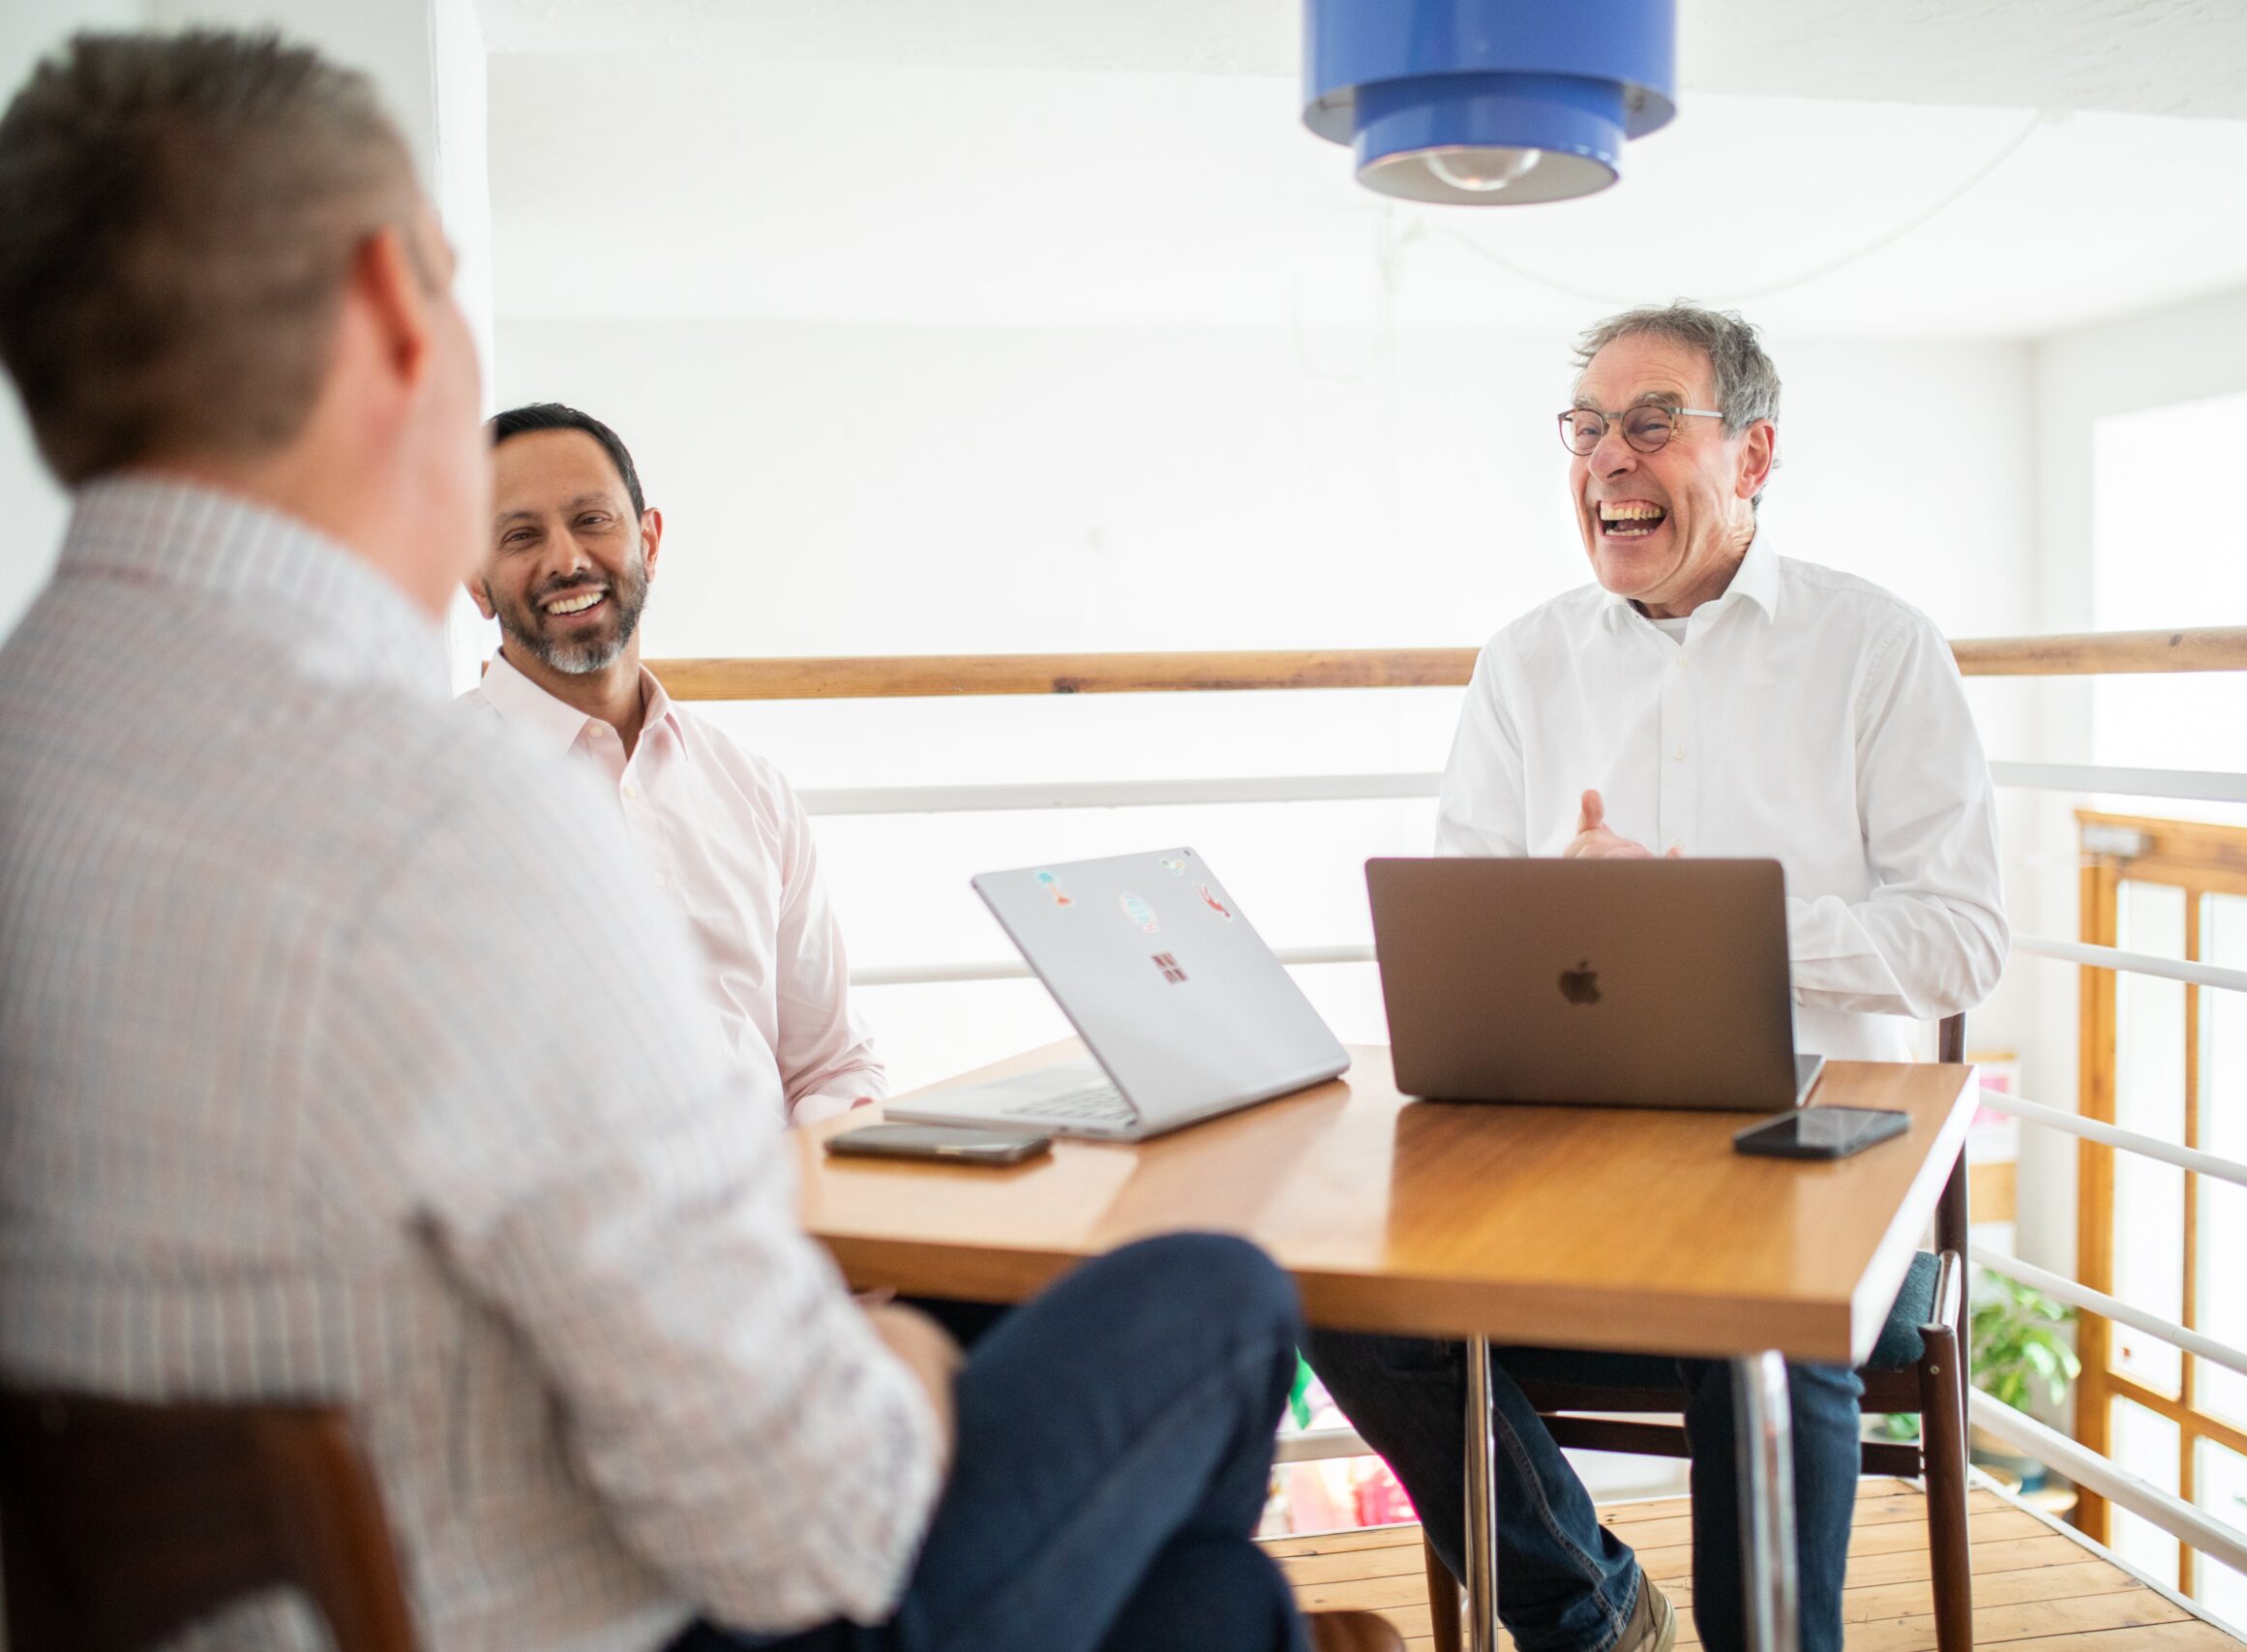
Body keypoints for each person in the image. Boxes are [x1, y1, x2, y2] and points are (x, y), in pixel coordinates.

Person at [0, 31, 1311, 1652]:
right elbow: (806, 1523)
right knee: (1225, 1299)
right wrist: (903, 1368)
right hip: (636, 1615)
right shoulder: (449, 817)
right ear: (394, 308)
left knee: (1216, 1602)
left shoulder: (44, 744)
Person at [1306, 304, 2006, 1652]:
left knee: (1758, 1330)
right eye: (1586, 426)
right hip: (1569, 1144)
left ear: (1752, 457)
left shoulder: (1880, 648)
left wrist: (1710, 925)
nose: (1607, 457)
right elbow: (1463, 912)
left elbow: (1962, 937)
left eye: (1649, 423)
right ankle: (1597, 1607)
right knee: (1341, 1289)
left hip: (1807, 1143)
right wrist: (1542, 926)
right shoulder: (1525, 660)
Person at [466, 403, 881, 1125]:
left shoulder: (752, 791)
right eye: (520, 534)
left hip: (782, 1218)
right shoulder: (420, 798)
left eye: (593, 519)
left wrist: (820, 1197)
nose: (566, 559)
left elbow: (831, 1064)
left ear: (648, 542)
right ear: (475, 580)